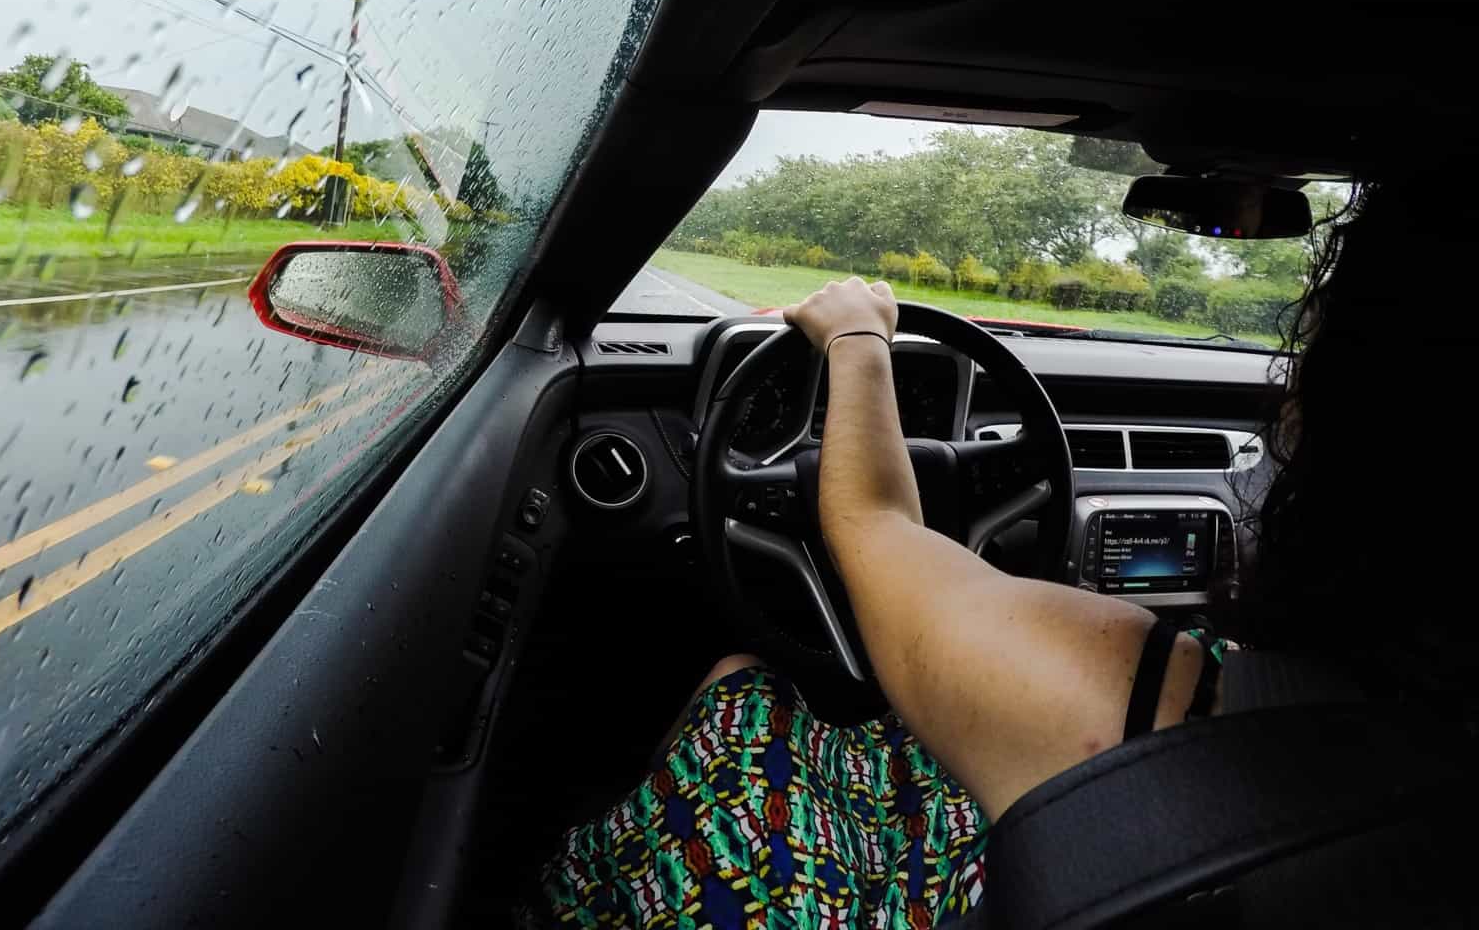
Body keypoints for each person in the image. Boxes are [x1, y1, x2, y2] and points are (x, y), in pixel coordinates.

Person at [535, 178, 1470, 928]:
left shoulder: (1137, 696)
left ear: (1338, 431)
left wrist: (859, 338)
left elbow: (871, 524)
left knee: (744, 690)